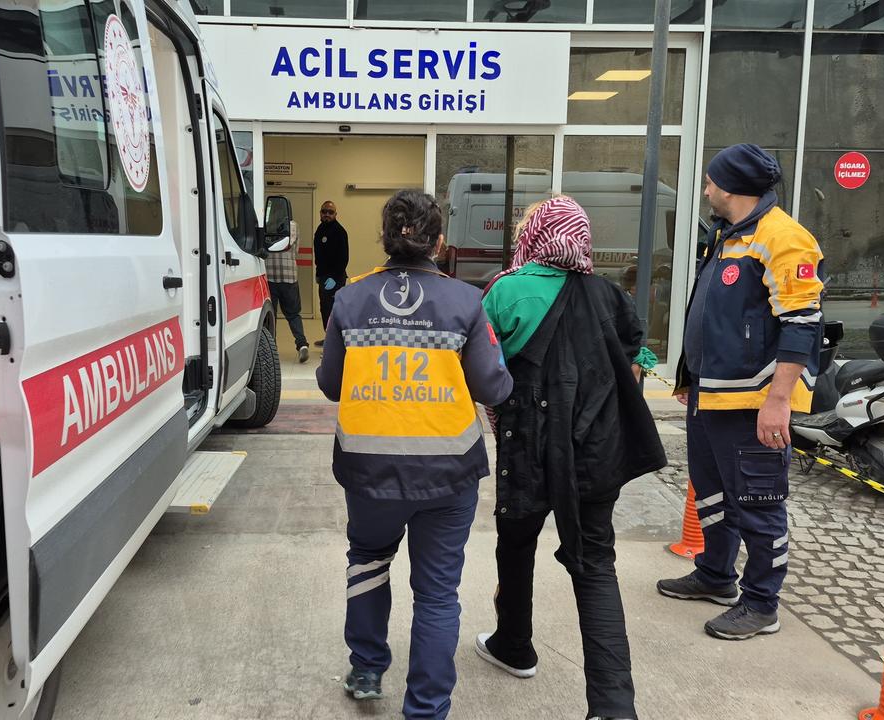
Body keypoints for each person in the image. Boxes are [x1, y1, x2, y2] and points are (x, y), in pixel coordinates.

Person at [316, 190, 512, 719]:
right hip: (449, 476)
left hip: (368, 469)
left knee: (368, 562)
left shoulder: (351, 299)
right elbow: (493, 387)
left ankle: (366, 667)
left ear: (384, 239)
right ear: (439, 243)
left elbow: (331, 384)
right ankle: (426, 708)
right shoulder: (466, 302)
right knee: (437, 593)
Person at [473, 196, 666, 720]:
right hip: (596, 452)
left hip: (528, 447)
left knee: (516, 546)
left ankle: (514, 644)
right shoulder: (610, 295)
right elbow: (630, 365)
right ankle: (612, 706)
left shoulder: (506, 291)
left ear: (534, 235)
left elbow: (480, 370)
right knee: (596, 565)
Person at [657, 144, 825, 640]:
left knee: (758, 501)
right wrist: (693, 382)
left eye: (710, 181)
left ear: (729, 187)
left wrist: (778, 403)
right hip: (714, 396)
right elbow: (716, 317)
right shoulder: (730, 237)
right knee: (712, 494)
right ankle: (715, 576)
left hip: (754, 404)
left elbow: (802, 325)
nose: (706, 188)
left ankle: (761, 603)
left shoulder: (785, 239)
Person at [266, 218, 309, 362]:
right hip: (289, 277)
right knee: (293, 314)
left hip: (270, 277)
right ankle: (302, 345)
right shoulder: (294, 226)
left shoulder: (266, 225)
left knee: (270, 316)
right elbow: (295, 250)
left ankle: (271, 350)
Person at [314, 200, 349, 344]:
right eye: (324, 211)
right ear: (320, 213)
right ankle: (329, 338)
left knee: (334, 311)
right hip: (323, 276)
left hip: (336, 278)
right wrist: (318, 273)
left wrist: (335, 277)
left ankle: (336, 341)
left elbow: (344, 257)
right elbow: (319, 254)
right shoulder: (320, 229)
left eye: (330, 212)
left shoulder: (339, 231)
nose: (327, 214)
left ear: (335, 214)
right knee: (325, 309)